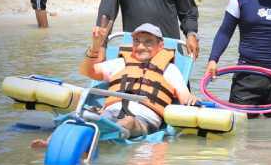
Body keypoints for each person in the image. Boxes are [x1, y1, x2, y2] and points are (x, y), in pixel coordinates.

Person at [31, 22, 198, 147]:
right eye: (137, 41)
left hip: (142, 120)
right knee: (81, 115)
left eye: (148, 42)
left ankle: (97, 141)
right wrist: (96, 46)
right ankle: (51, 142)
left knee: (128, 121)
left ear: (160, 46)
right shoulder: (120, 63)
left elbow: (184, 96)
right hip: (111, 113)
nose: (141, 46)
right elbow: (87, 71)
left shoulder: (170, 70)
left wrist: (191, 100)